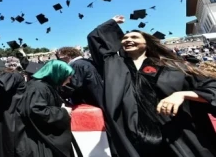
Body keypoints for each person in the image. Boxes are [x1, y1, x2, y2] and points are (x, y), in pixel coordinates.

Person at [87, 15, 216, 157]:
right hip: (135, 141)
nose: (128, 39)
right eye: (125, 38)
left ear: (147, 43)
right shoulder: (114, 66)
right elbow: (95, 39)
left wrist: (182, 94)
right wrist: (111, 23)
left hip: (178, 137)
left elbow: (211, 87)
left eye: (135, 37)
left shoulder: (172, 67)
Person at [17, 60, 75, 157]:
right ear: (57, 74)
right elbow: (36, 111)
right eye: (67, 77)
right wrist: (63, 112)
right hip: (39, 141)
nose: (69, 81)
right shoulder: (38, 88)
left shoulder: (43, 85)